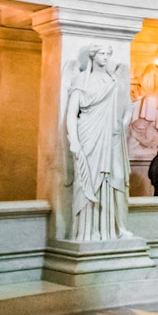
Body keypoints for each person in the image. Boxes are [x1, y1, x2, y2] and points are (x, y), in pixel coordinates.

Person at [65, 43, 133, 240]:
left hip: (112, 137)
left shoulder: (114, 80)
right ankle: (89, 230)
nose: (105, 57)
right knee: (88, 181)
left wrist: (123, 123)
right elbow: (71, 113)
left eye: (108, 54)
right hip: (89, 134)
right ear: (93, 56)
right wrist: (73, 140)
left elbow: (128, 105)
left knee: (117, 180)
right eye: (102, 53)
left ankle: (118, 228)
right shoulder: (81, 80)